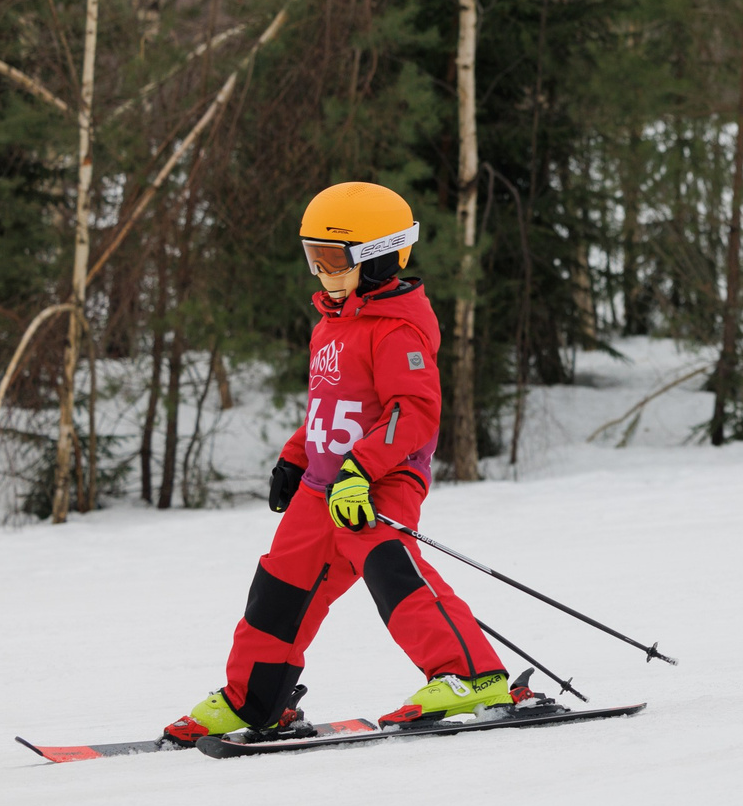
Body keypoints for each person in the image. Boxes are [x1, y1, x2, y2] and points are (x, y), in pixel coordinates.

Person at [163, 182, 514, 742]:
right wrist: (296, 456)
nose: (323, 272)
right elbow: (332, 406)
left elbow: (412, 412)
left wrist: (360, 471)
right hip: (322, 487)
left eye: (334, 260)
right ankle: (253, 702)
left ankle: (472, 676)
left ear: (376, 259)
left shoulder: (397, 329)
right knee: (278, 586)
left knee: (391, 573)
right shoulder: (332, 322)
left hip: (379, 482)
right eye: (314, 258)